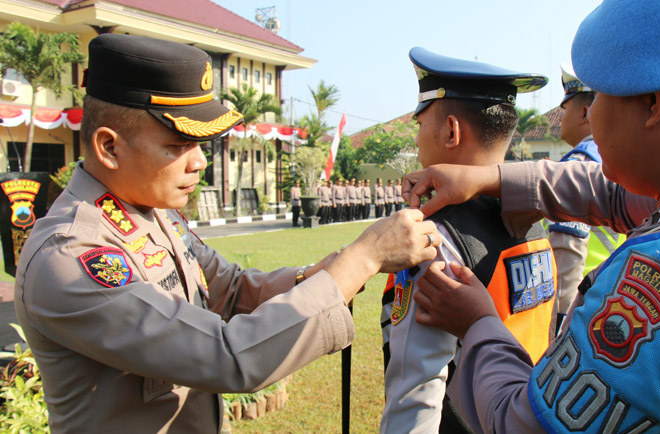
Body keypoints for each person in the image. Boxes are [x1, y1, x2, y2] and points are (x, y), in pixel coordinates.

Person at [13, 33, 442, 433]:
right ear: (109, 147)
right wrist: (361, 259)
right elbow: (225, 356)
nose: (199, 163)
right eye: (177, 147)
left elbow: (229, 289)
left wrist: (316, 275)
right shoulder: (71, 255)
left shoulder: (151, 212)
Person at [403, 1, 660, 432]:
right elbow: (609, 195)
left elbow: (527, 425)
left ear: (653, 104)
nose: (587, 113)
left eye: (597, 95)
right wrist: (488, 178)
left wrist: (478, 323)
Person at [381, 47, 556, 434]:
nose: (418, 135)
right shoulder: (532, 216)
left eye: (419, 123)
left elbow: (416, 391)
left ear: (450, 131)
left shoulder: (435, 236)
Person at [548, 63, 627, 321]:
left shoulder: (577, 165)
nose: (561, 118)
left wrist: (559, 319)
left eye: (565, 109)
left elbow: (568, 251)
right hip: (610, 295)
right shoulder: (619, 158)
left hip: (579, 305)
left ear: (584, 112)